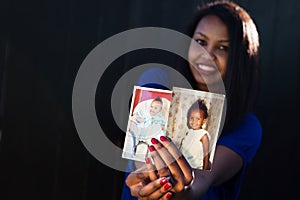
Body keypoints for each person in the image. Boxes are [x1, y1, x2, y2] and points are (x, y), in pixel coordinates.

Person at [122, 0, 262, 199]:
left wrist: (176, 191)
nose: (207, 55)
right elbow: (142, 156)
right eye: (201, 42)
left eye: (222, 48)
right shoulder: (158, 81)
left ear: (241, 57)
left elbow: (202, 180)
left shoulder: (246, 126)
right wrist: (145, 178)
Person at [179, 99, 211, 170]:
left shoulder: (203, 135)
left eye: (198, 119)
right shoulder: (189, 132)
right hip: (184, 165)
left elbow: (206, 155)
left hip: (196, 167)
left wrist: (204, 171)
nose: (194, 121)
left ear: (204, 121)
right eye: (192, 118)